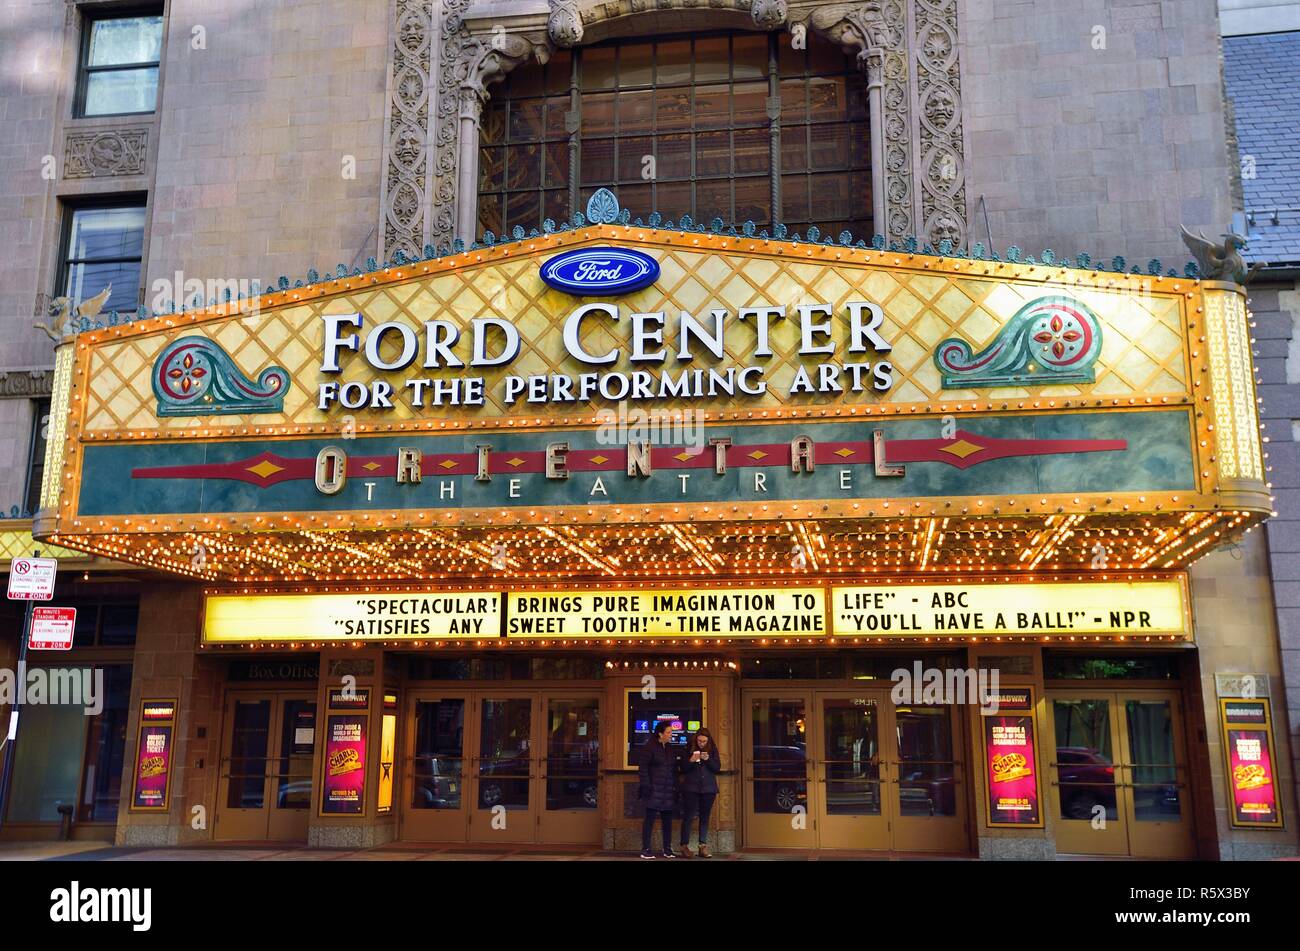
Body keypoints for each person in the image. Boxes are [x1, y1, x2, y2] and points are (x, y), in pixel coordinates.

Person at [677, 727, 721, 858]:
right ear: (696, 739)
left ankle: (703, 846)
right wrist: (691, 760)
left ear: (708, 741)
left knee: (705, 817)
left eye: (704, 741)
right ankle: (684, 846)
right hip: (691, 788)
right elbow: (682, 768)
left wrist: (708, 759)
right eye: (700, 741)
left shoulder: (712, 748)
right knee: (688, 817)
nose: (702, 743)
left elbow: (717, 768)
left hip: (708, 788)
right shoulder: (688, 747)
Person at [638, 720, 679, 859]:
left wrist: (675, 786)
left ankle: (667, 849)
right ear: (660, 734)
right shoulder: (649, 747)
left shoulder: (670, 748)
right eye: (668, 732)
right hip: (653, 790)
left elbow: (674, 769)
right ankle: (646, 849)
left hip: (668, 790)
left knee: (667, 821)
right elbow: (643, 769)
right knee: (649, 820)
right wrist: (646, 786)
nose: (671, 735)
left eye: (671, 732)